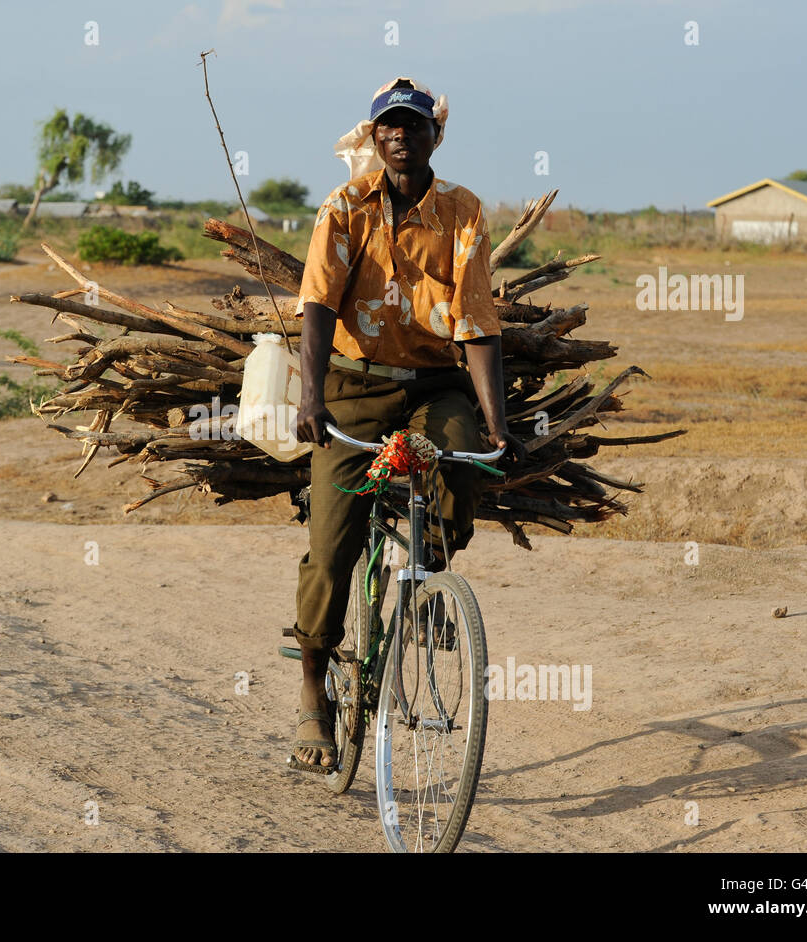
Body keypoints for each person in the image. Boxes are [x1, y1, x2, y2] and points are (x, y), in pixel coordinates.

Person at [288, 77, 527, 773]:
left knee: (460, 464)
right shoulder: (344, 208)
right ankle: (312, 689)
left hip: (434, 384)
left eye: (413, 125)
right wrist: (312, 399)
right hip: (352, 386)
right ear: (373, 136)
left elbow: (477, 324)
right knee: (331, 551)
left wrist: (497, 426)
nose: (399, 135)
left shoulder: (462, 212)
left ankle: (426, 580)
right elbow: (317, 309)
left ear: (433, 136)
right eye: (387, 126)